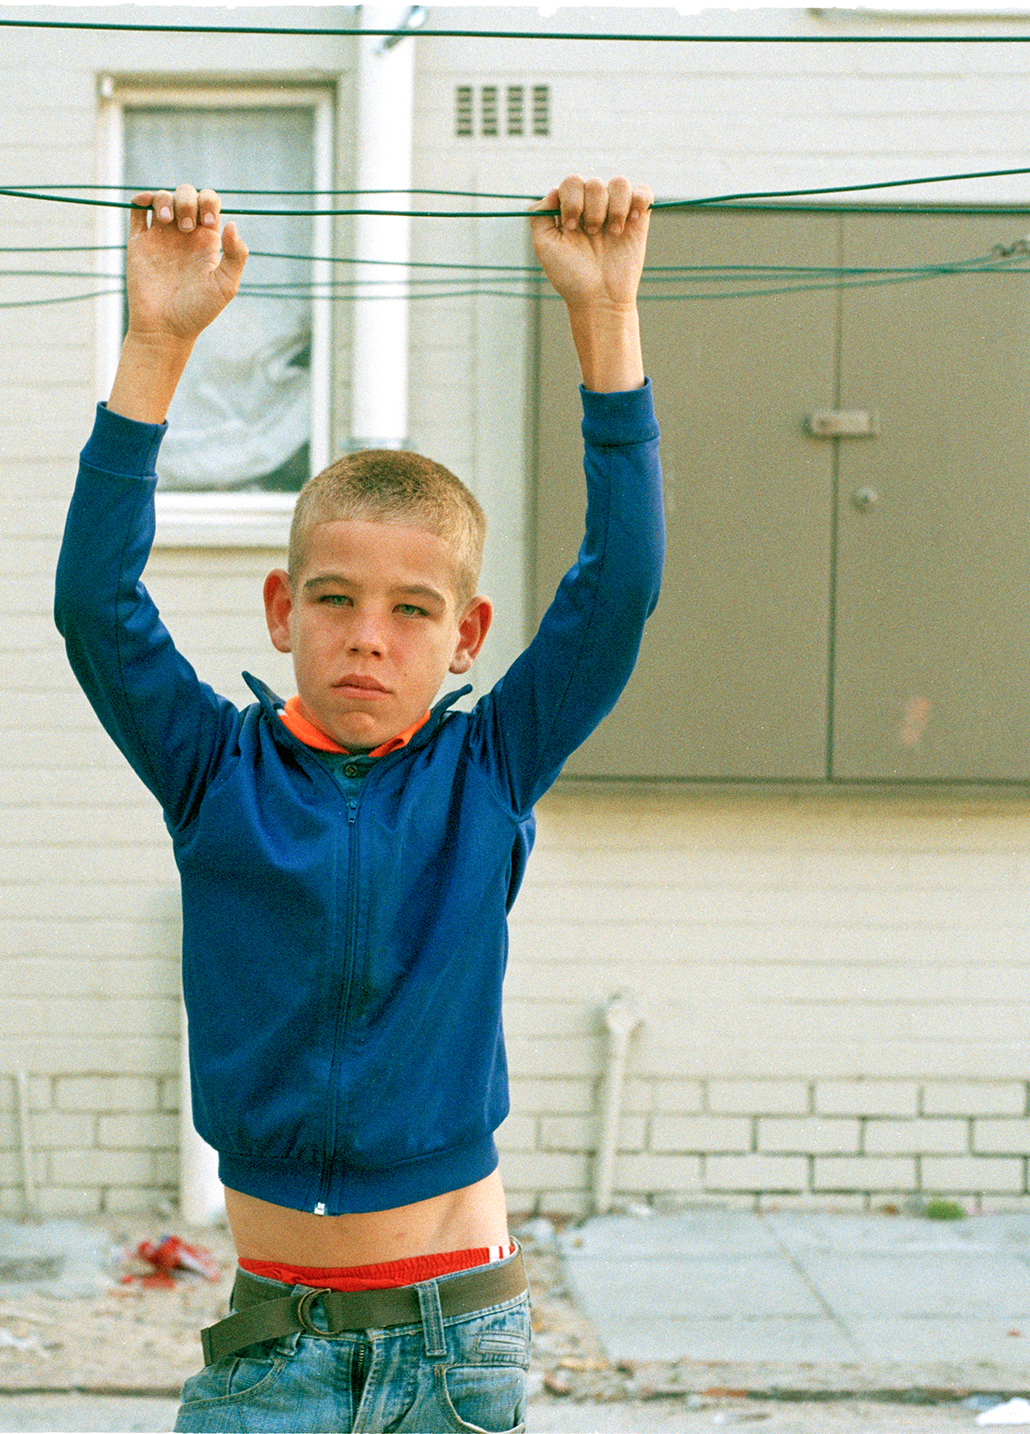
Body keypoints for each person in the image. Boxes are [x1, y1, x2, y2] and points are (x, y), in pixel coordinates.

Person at [54, 175, 661, 1433]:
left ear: (464, 635)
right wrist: (157, 342)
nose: (366, 639)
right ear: (281, 615)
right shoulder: (211, 772)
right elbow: (93, 606)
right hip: (269, 1347)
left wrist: (605, 322)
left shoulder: (487, 770)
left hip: (451, 1343)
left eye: (410, 610)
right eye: (332, 599)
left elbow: (617, 590)